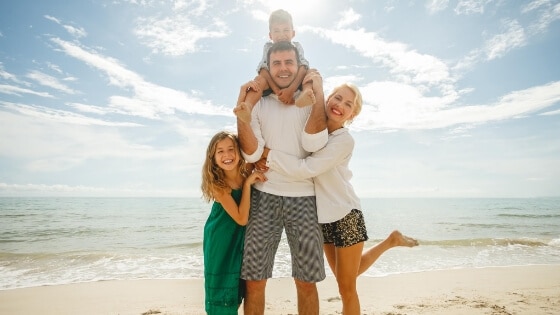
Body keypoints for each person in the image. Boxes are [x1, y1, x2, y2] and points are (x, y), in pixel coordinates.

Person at [259, 77, 420, 314]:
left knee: (346, 288)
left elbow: (307, 168)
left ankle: (390, 241)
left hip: (346, 214)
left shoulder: (344, 140)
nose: (340, 105)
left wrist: (268, 155)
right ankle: (391, 241)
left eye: (348, 104)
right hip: (322, 218)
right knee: (346, 274)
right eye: (337, 98)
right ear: (327, 98)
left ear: (352, 115)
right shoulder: (314, 129)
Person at [235, 41, 329, 315]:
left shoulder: (308, 98)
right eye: (276, 63)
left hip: (305, 198)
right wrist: (241, 108)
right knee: (254, 279)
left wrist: (318, 91)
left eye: (289, 62)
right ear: (268, 67)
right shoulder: (260, 104)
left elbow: (315, 143)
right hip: (264, 195)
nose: (283, 68)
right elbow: (252, 154)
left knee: (307, 281)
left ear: (299, 66)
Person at [201, 131, 266, 315]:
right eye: (220, 151)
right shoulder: (218, 184)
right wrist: (247, 185)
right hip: (220, 240)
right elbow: (241, 218)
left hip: (239, 239)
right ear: (213, 158)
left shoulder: (246, 170)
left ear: (239, 151)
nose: (227, 155)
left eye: (231, 149)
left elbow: (264, 152)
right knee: (221, 296)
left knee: (237, 289)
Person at [233, 9, 315, 124]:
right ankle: (247, 106)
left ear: (293, 33)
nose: (282, 35)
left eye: (286, 30)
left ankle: (306, 94)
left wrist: (291, 90)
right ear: (270, 35)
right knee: (259, 80)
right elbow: (263, 69)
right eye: (277, 31)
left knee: (311, 73)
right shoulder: (268, 48)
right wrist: (277, 91)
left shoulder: (297, 47)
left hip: (295, 81)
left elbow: (303, 66)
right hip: (273, 82)